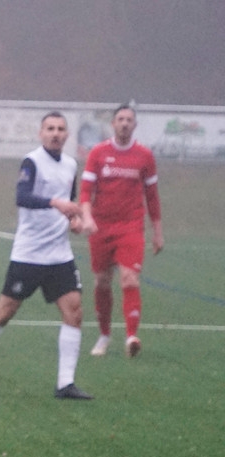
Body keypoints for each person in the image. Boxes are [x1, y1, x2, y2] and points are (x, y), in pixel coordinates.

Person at [0, 112, 92, 400]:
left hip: (59, 255)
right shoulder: (32, 162)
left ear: (67, 135)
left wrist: (74, 221)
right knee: (4, 313)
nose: (55, 133)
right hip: (29, 254)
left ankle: (65, 384)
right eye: (50, 128)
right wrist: (55, 203)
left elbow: (69, 201)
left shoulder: (70, 165)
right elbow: (22, 197)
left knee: (74, 311)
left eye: (60, 129)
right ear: (40, 133)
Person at [79, 104, 164, 358]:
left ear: (134, 125)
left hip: (131, 227)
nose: (125, 123)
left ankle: (131, 336)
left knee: (129, 279)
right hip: (101, 227)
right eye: (120, 119)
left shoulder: (144, 156)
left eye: (129, 120)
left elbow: (152, 196)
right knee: (102, 281)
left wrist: (157, 232)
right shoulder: (98, 152)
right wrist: (87, 217)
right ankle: (104, 335)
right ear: (113, 124)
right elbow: (85, 191)